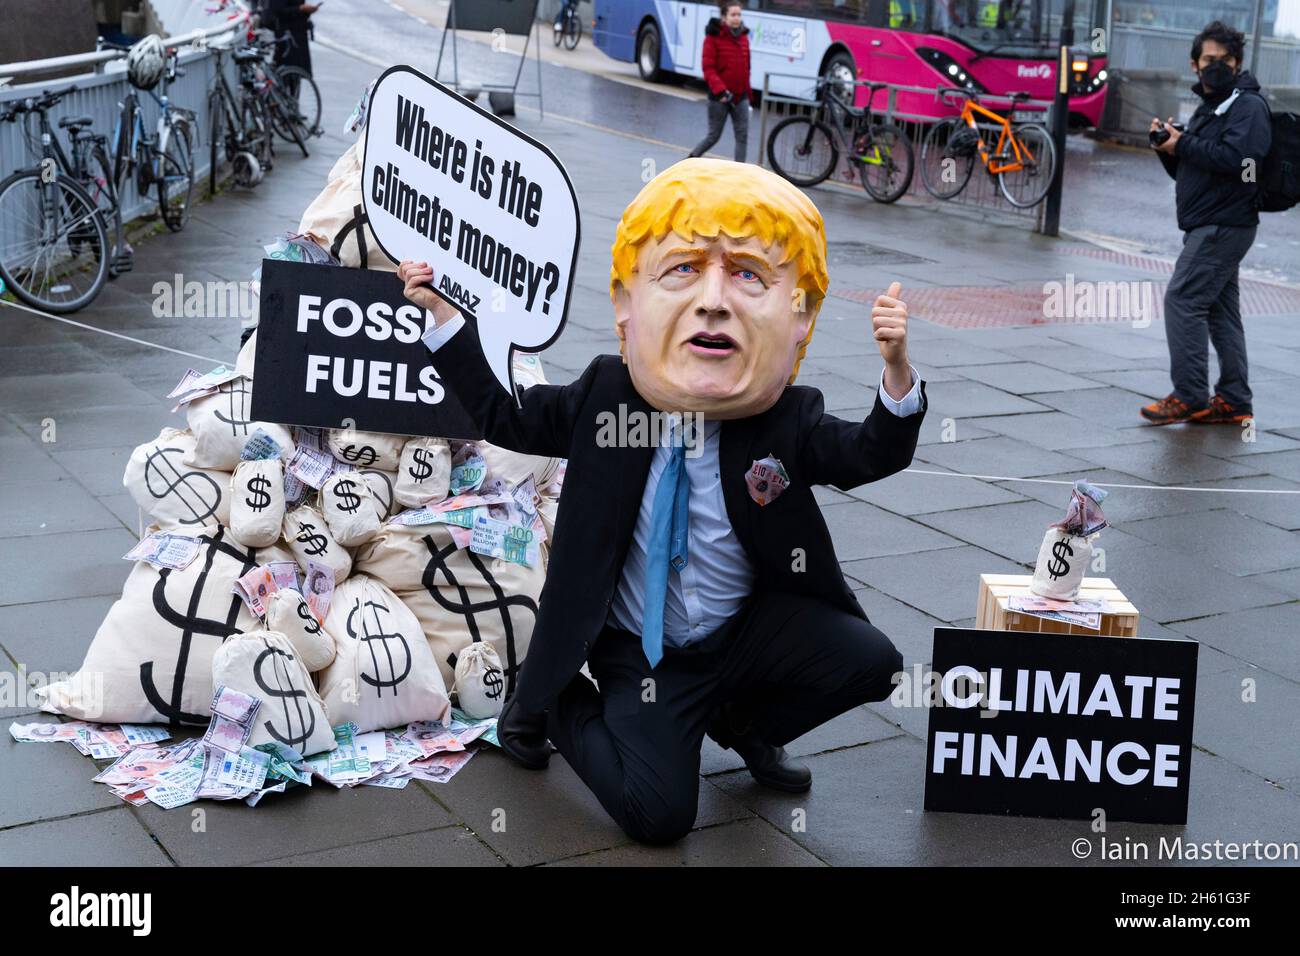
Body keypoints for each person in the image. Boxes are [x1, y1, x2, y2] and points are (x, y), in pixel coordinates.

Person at [400, 158, 926, 845]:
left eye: (748, 276)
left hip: (742, 635)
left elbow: (870, 454)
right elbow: (505, 418)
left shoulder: (786, 420)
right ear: (625, 306)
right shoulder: (603, 398)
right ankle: (559, 701)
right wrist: (444, 319)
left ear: (802, 319)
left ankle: (746, 726)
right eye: (682, 270)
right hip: (643, 655)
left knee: (872, 661)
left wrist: (896, 368)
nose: (713, 301)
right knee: (660, 818)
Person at [1142, 20, 1271, 426]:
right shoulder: (1211, 106)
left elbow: (1241, 161)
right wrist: (1169, 147)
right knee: (1219, 311)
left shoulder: (1246, 105)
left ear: (1238, 63)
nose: (1216, 66)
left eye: (1225, 60)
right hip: (1211, 221)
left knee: (1182, 300)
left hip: (1225, 224)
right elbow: (1193, 171)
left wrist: (1184, 142)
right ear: (1194, 64)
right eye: (1209, 59)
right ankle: (1233, 400)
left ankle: (1190, 395)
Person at [688, 2, 751, 163]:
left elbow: (746, 67)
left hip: (740, 96)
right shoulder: (712, 38)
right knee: (714, 136)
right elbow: (708, 68)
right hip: (720, 97)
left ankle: (740, 173)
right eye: (733, 15)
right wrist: (721, 91)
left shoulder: (744, 38)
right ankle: (690, 160)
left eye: (739, 15)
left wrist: (748, 93)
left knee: (742, 136)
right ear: (724, 17)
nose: (737, 18)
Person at [261, 0, 318, 76]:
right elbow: (278, 11)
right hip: (287, 33)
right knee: (286, 70)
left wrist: (306, 10)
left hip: (296, 34)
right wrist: (300, 8)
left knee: (294, 72)